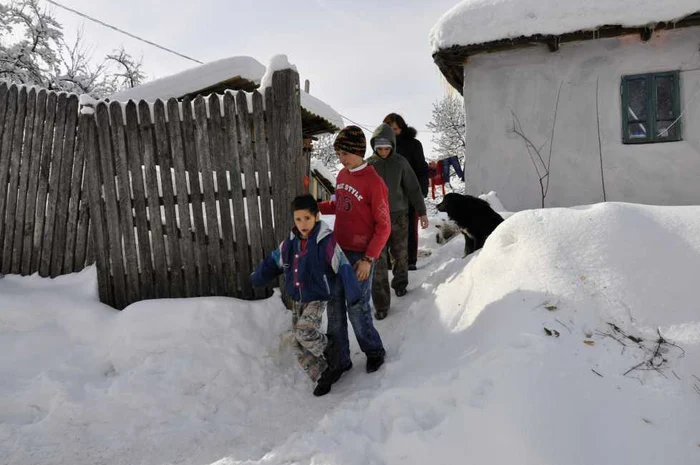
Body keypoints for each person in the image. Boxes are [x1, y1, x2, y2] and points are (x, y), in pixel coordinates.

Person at [251, 194, 362, 397]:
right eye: (298, 219)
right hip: (298, 297)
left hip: (318, 296)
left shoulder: (325, 241)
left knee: (304, 332)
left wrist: (354, 293)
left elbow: (343, 266)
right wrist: (258, 277)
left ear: (316, 217)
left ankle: (333, 351)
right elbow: (273, 261)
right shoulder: (289, 243)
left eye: (307, 218)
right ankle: (325, 372)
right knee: (297, 343)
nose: (303, 224)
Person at [318, 125, 390, 374]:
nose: (341, 159)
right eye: (338, 154)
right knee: (334, 306)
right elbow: (339, 204)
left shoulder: (374, 183)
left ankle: (374, 351)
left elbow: (384, 226)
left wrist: (369, 259)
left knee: (357, 308)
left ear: (358, 151)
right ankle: (340, 359)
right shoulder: (341, 176)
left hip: (361, 256)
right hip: (337, 251)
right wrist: (314, 206)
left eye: (344, 153)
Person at [367, 123, 429, 319]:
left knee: (400, 254)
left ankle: (400, 283)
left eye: (387, 147)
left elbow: (412, 188)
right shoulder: (369, 165)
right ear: (374, 146)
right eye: (380, 148)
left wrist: (422, 211)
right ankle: (381, 302)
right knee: (378, 261)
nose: (384, 151)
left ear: (392, 145)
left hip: (399, 216)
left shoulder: (401, 162)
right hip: (376, 220)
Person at [382, 113, 429, 271]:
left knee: (409, 229)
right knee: (387, 230)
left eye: (395, 129)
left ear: (402, 129)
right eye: (389, 129)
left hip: (410, 194)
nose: (393, 132)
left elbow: (422, 169)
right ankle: (389, 261)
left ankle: (410, 260)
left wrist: (421, 192)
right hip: (389, 197)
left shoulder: (414, 144)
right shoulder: (382, 148)